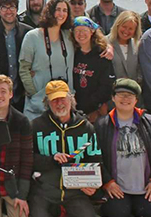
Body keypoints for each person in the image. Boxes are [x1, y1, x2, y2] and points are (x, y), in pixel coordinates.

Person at [94, 78, 151, 217]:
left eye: (130, 95)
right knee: (116, 213)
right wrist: (107, 182)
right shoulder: (101, 125)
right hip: (117, 188)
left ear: (136, 100)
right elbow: (95, 156)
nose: (125, 98)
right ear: (113, 98)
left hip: (146, 188)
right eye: (121, 94)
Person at [27, 80, 101, 217]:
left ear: (71, 99)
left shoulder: (85, 127)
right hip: (43, 191)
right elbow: (27, 159)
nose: (59, 103)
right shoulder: (36, 126)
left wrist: (92, 184)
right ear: (47, 103)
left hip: (75, 192)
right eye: (54, 100)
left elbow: (95, 158)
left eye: (62, 98)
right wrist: (51, 159)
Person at [0, 75, 33, 217]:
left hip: (12, 183)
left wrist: (22, 195)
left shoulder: (21, 121)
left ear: (11, 94)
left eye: (3, 91)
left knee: (20, 214)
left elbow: (27, 160)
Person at [19, 0, 74, 120]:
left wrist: (108, 47)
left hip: (64, 102)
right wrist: (34, 93)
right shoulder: (32, 36)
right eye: (58, 9)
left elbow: (91, 36)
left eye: (65, 10)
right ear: (50, 11)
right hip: (38, 104)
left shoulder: (69, 36)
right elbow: (24, 69)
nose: (61, 14)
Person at [0, 0, 32, 111]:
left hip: (22, 93)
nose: (8, 11)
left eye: (12, 7)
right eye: (4, 7)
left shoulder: (28, 32)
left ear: (17, 9)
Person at [70, 17, 115, 122]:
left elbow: (107, 86)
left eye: (84, 30)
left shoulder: (102, 54)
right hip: (73, 109)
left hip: (95, 110)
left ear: (92, 32)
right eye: (77, 31)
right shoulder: (72, 53)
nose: (81, 34)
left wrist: (92, 107)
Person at [106, 11, 144, 84]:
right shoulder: (104, 43)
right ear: (117, 25)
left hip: (133, 92)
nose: (126, 31)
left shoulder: (138, 46)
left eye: (130, 29)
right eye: (124, 26)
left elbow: (140, 71)